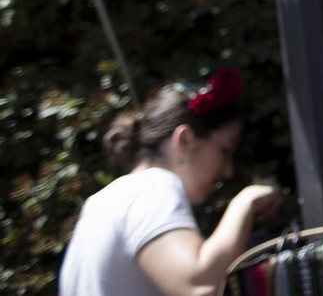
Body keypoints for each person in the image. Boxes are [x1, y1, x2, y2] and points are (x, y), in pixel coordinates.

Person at [59, 69, 281, 296]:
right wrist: (245, 201)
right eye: (225, 150)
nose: (228, 171)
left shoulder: (100, 204)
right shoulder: (154, 186)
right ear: (185, 140)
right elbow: (199, 286)